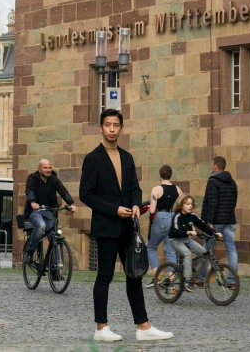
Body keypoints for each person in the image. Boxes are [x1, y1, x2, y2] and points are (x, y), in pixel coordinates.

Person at [80, 109, 174, 343]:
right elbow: (86, 194)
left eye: (116, 125)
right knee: (105, 276)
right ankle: (101, 328)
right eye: (108, 125)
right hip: (106, 226)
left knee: (134, 275)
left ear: (122, 128)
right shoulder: (92, 158)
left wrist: (134, 205)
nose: (112, 129)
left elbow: (135, 188)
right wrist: (113, 209)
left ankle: (143, 327)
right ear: (100, 128)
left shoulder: (128, 157)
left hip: (128, 228)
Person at [23, 159, 77, 264]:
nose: (48, 170)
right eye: (45, 168)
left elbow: (63, 190)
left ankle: (55, 268)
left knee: (55, 238)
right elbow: (29, 190)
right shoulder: (32, 178)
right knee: (41, 226)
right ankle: (29, 252)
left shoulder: (53, 179)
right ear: (39, 169)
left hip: (49, 212)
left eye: (50, 168)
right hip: (36, 211)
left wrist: (71, 204)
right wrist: (33, 202)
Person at [168, 193, 223, 293]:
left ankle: (191, 267)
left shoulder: (192, 216)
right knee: (187, 254)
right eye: (187, 204)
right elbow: (175, 231)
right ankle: (187, 281)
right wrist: (188, 232)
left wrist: (215, 233)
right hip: (175, 240)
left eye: (191, 204)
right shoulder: (177, 216)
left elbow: (203, 225)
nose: (190, 206)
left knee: (203, 252)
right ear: (181, 205)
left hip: (186, 239)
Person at [198, 155, 238, 288]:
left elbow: (212, 203)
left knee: (206, 249)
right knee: (231, 250)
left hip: (216, 222)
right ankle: (232, 281)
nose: (211, 167)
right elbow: (233, 202)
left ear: (215, 166)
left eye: (212, 165)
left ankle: (201, 278)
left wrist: (209, 222)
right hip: (230, 221)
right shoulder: (232, 182)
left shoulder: (213, 181)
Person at [146, 165, 182, 287]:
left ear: (160, 175)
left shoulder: (156, 189)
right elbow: (182, 206)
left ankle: (157, 277)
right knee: (171, 249)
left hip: (161, 218)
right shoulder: (177, 189)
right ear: (170, 175)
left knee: (151, 247)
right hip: (173, 219)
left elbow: (152, 210)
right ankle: (171, 279)